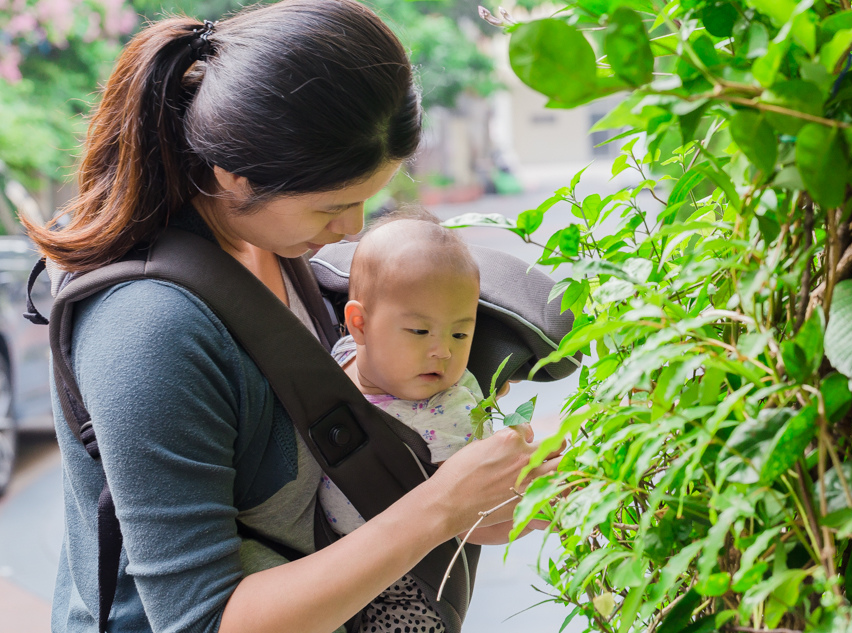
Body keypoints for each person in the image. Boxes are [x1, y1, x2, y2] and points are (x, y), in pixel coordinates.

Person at [22, 2, 559, 632]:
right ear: (232, 172)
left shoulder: (269, 244)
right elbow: (203, 621)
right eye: (332, 206)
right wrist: (443, 507)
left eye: (368, 199)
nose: (352, 229)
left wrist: (483, 492)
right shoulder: (148, 329)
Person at [320, 212, 507, 633]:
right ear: (359, 324)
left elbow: (474, 515)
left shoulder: (451, 411)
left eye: (460, 335)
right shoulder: (338, 356)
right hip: (320, 558)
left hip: (403, 583)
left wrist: (529, 514)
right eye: (420, 332)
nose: (442, 351)